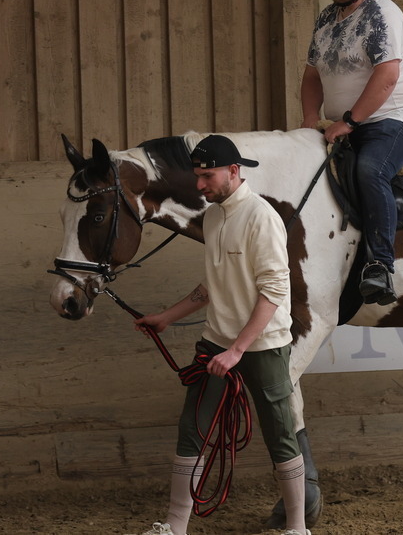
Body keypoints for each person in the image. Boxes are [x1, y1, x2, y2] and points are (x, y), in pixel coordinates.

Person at [131, 134, 309, 535]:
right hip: (216, 341)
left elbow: (275, 291)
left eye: (207, 176)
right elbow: (212, 284)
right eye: (196, 176)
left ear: (233, 171)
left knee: (280, 432)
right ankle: (175, 525)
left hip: (262, 346)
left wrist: (237, 350)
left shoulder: (262, 217)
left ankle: (298, 529)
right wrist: (167, 317)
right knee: (192, 428)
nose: (199, 185)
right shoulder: (212, 216)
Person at [300, 0, 403, 306]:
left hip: (395, 118)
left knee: (370, 170)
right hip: (344, 121)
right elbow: (312, 75)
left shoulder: (382, 14)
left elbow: (387, 76)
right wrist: (311, 117)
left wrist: (351, 121)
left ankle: (379, 265)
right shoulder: (327, 17)